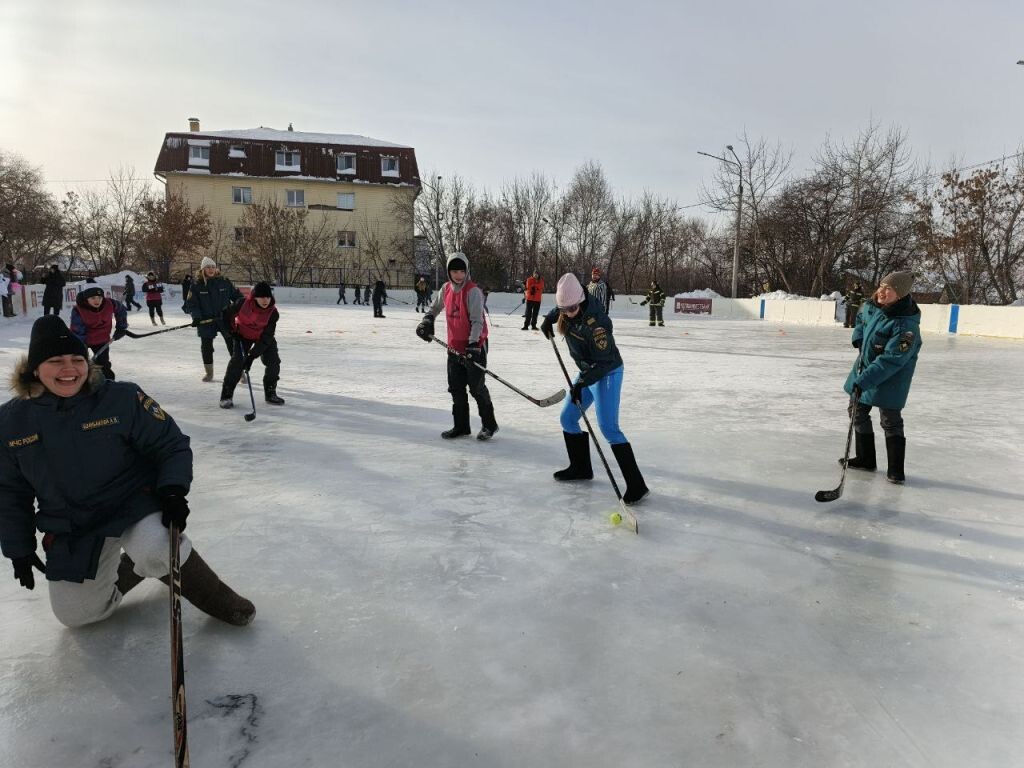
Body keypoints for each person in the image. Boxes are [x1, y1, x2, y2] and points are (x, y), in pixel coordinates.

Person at [0, 315, 255, 628]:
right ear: (35, 369)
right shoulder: (11, 421)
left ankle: (214, 594)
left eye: (77, 359)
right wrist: (19, 549)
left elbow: (170, 444)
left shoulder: (120, 398)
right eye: (55, 360)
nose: (69, 369)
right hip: (74, 524)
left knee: (158, 546)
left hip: (133, 504)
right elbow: (10, 491)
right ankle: (134, 567)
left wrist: (173, 489)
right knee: (76, 615)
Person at [540, 274, 648, 503]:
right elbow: (559, 309)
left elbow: (605, 362)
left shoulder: (596, 324)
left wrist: (580, 383)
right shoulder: (568, 306)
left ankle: (637, 485)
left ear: (580, 300)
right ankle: (580, 468)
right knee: (568, 418)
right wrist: (548, 319)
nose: (568, 313)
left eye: (572, 308)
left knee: (608, 428)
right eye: (563, 309)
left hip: (607, 371)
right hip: (587, 371)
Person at [841, 271, 922, 485]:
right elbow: (860, 318)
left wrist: (864, 380)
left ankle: (896, 470)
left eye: (889, 289)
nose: (882, 291)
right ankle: (866, 458)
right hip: (864, 369)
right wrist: (858, 338)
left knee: (890, 421)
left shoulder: (906, 326)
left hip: (891, 379)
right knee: (856, 411)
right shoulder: (871, 306)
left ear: (901, 295)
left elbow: (892, 359)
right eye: (881, 286)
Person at [415, 253, 498, 440]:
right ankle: (461, 426)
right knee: (456, 388)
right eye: (454, 271)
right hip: (454, 348)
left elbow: (477, 321)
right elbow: (434, 308)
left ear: (467, 270)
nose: (458, 275)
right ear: (448, 271)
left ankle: (489, 425)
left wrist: (474, 345)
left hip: (475, 346)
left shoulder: (473, 291)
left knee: (476, 388)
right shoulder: (446, 289)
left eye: (462, 271)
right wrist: (427, 321)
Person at [219, 282, 284, 408]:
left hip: (262, 337)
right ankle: (226, 395)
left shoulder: (273, 313)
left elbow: (266, 337)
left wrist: (251, 357)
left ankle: (270, 392)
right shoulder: (242, 304)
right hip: (242, 336)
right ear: (255, 297)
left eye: (268, 297)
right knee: (237, 362)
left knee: (273, 361)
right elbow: (225, 316)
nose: (265, 300)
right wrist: (233, 332)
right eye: (261, 297)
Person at [184, 257, 242, 382]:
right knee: (206, 347)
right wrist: (196, 317)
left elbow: (238, 298)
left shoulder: (224, 282)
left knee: (232, 345)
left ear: (216, 268)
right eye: (207, 267)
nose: (210, 269)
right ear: (202, 270)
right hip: (206, 321)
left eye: (212, 267)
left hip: (225, 319)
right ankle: (209, 373)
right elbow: (191, 304)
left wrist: (235, 311)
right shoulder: (196, 285)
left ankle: (240, 372)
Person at [69, 286, 128, 381]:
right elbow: (78, 329)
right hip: (83, 340)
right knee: (81, 364)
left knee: (103, 365)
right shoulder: (79, 310)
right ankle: (80, 384)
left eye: (100, 298)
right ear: (86, 299)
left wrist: (121, 327)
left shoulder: (109, 304)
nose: (97, 301)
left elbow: (121, 310)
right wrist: (80, 346)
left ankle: (109, 384)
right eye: (93, 298)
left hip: (102, 340)